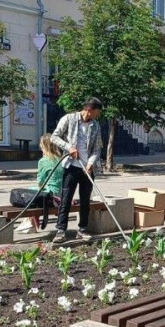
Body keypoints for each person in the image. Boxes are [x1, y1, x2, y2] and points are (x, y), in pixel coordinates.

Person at [50, 97, 103, 243]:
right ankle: (61, 230)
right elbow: (54, 137)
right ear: (90, 110)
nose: (98, 114)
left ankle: (82, 229)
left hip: (87, 169)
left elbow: (97, 148)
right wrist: (69, 148)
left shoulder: (96, 126)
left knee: (85, 200)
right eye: (97, 111)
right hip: (71, 166)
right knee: (66, 198)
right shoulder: (69, 119)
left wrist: (91, 163)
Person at [21, 134, 65, 232]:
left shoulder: (43, 161)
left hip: (51, 195)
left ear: (44, 146)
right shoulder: (62, 159)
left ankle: (30, 224)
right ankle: (30, 223)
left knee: (27, 193)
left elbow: (40, 182)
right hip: (62, 195)